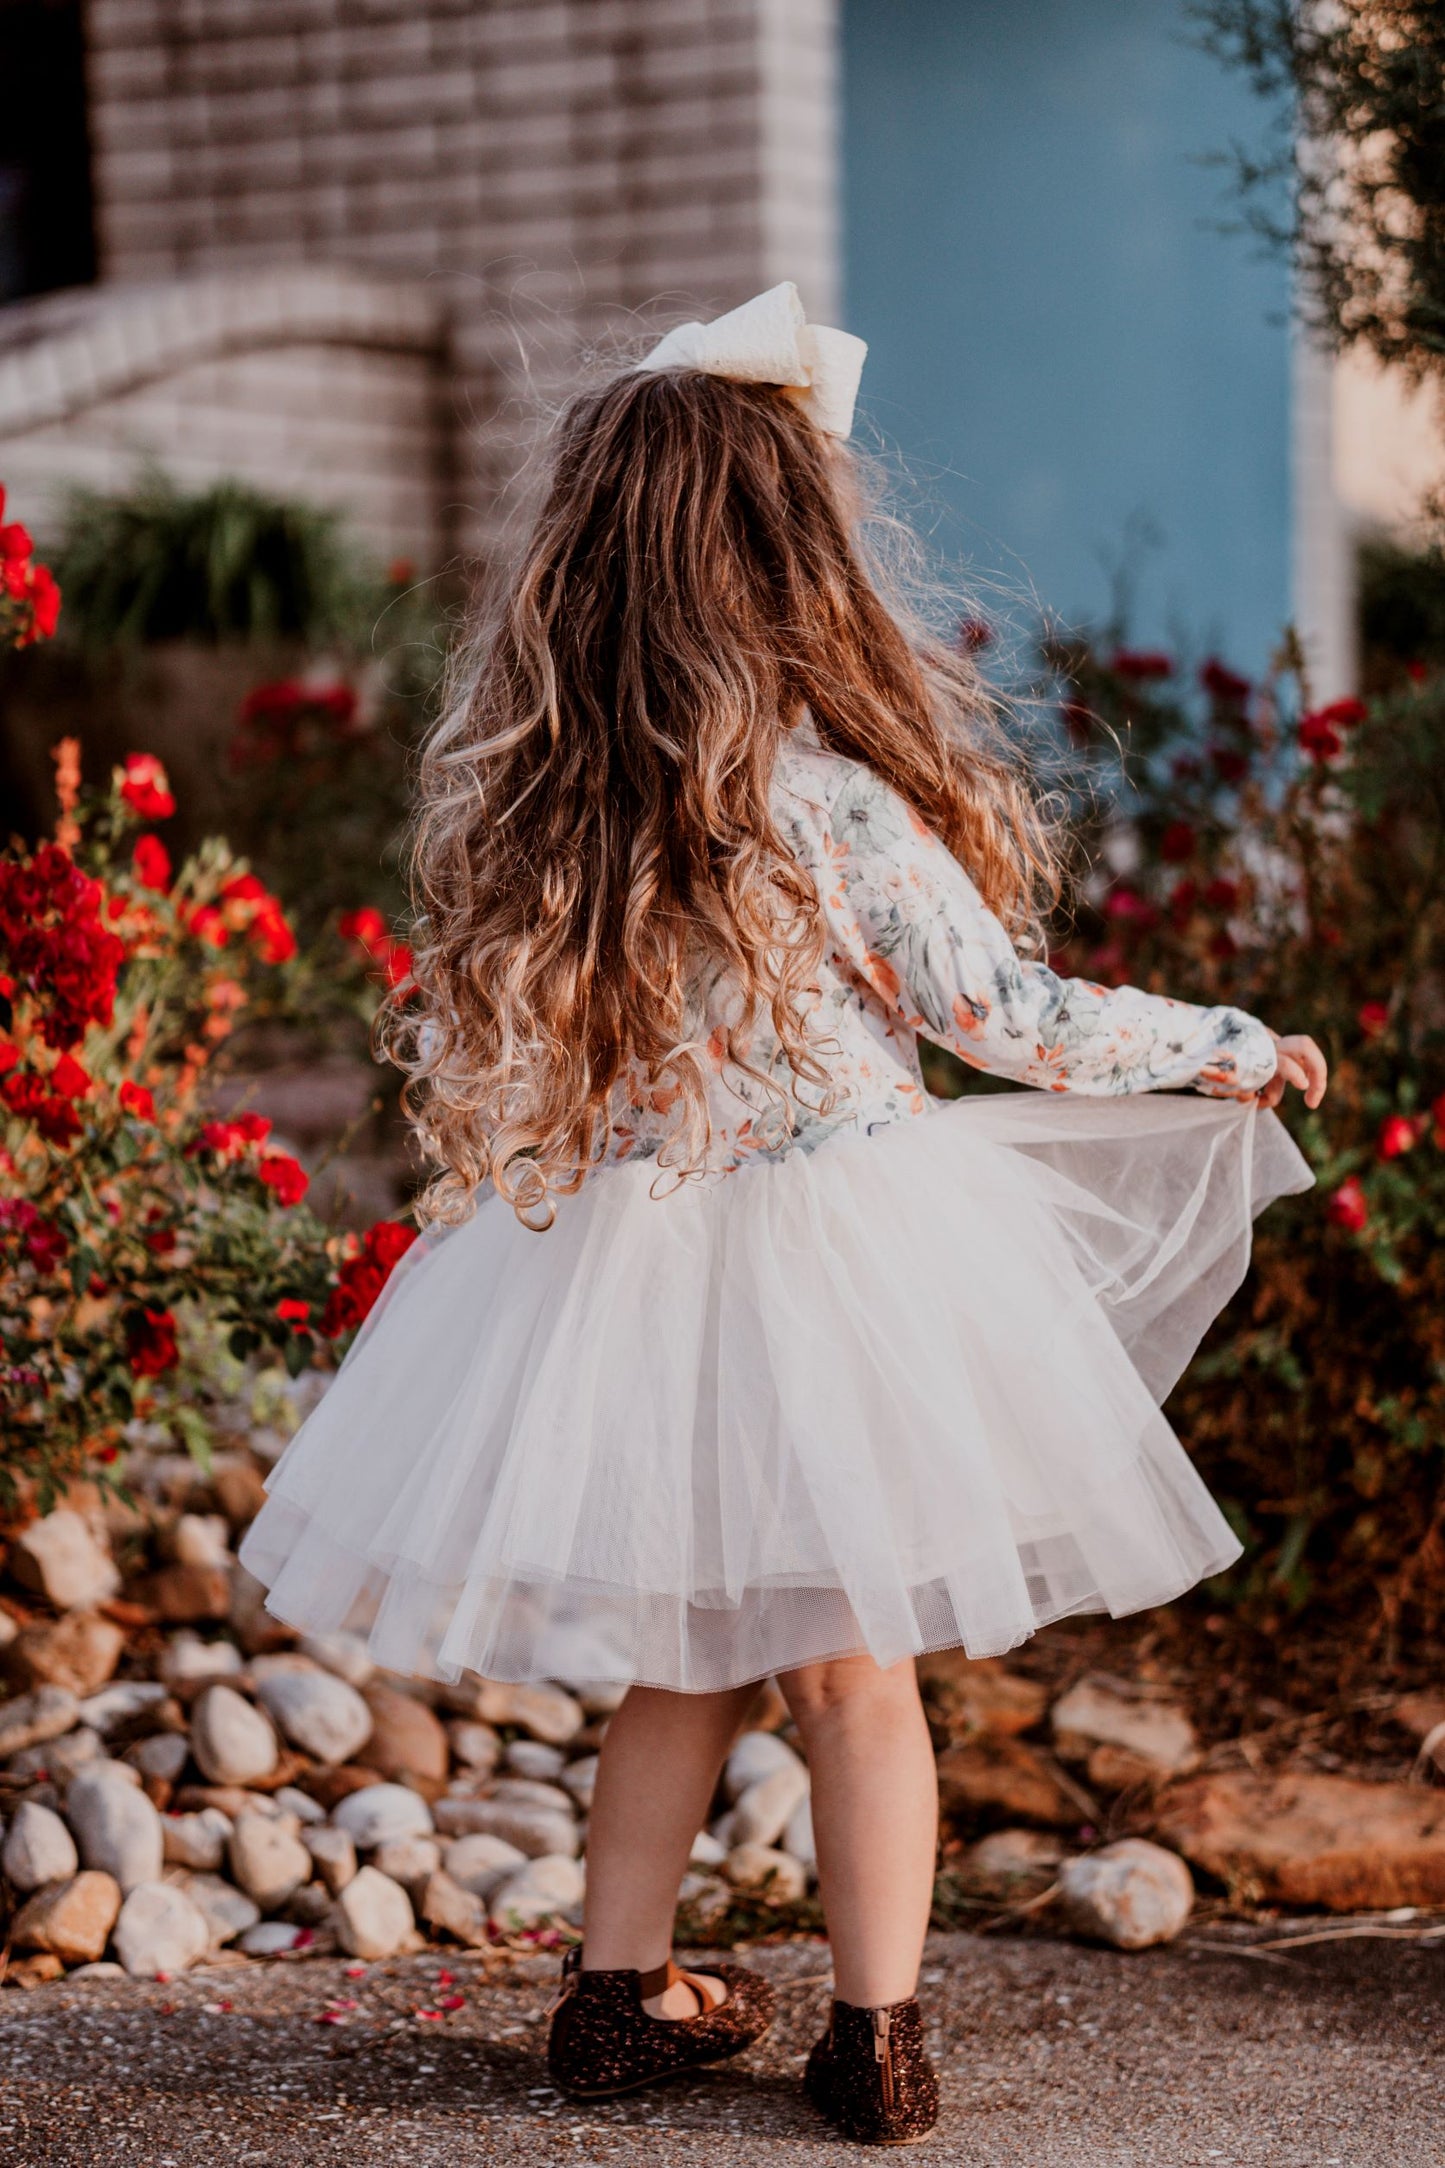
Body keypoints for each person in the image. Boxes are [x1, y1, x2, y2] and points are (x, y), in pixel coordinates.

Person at [241, 284, 1327, 2144]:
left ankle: (618, 1994)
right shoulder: (825, 807)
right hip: (839, 1265)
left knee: (690, 1653)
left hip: (637, 1264)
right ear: (791, 567)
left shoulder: (566, 821)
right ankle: (874, 2034)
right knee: (847, 1669)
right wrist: (1230, 1044)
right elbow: (1008, 1023)